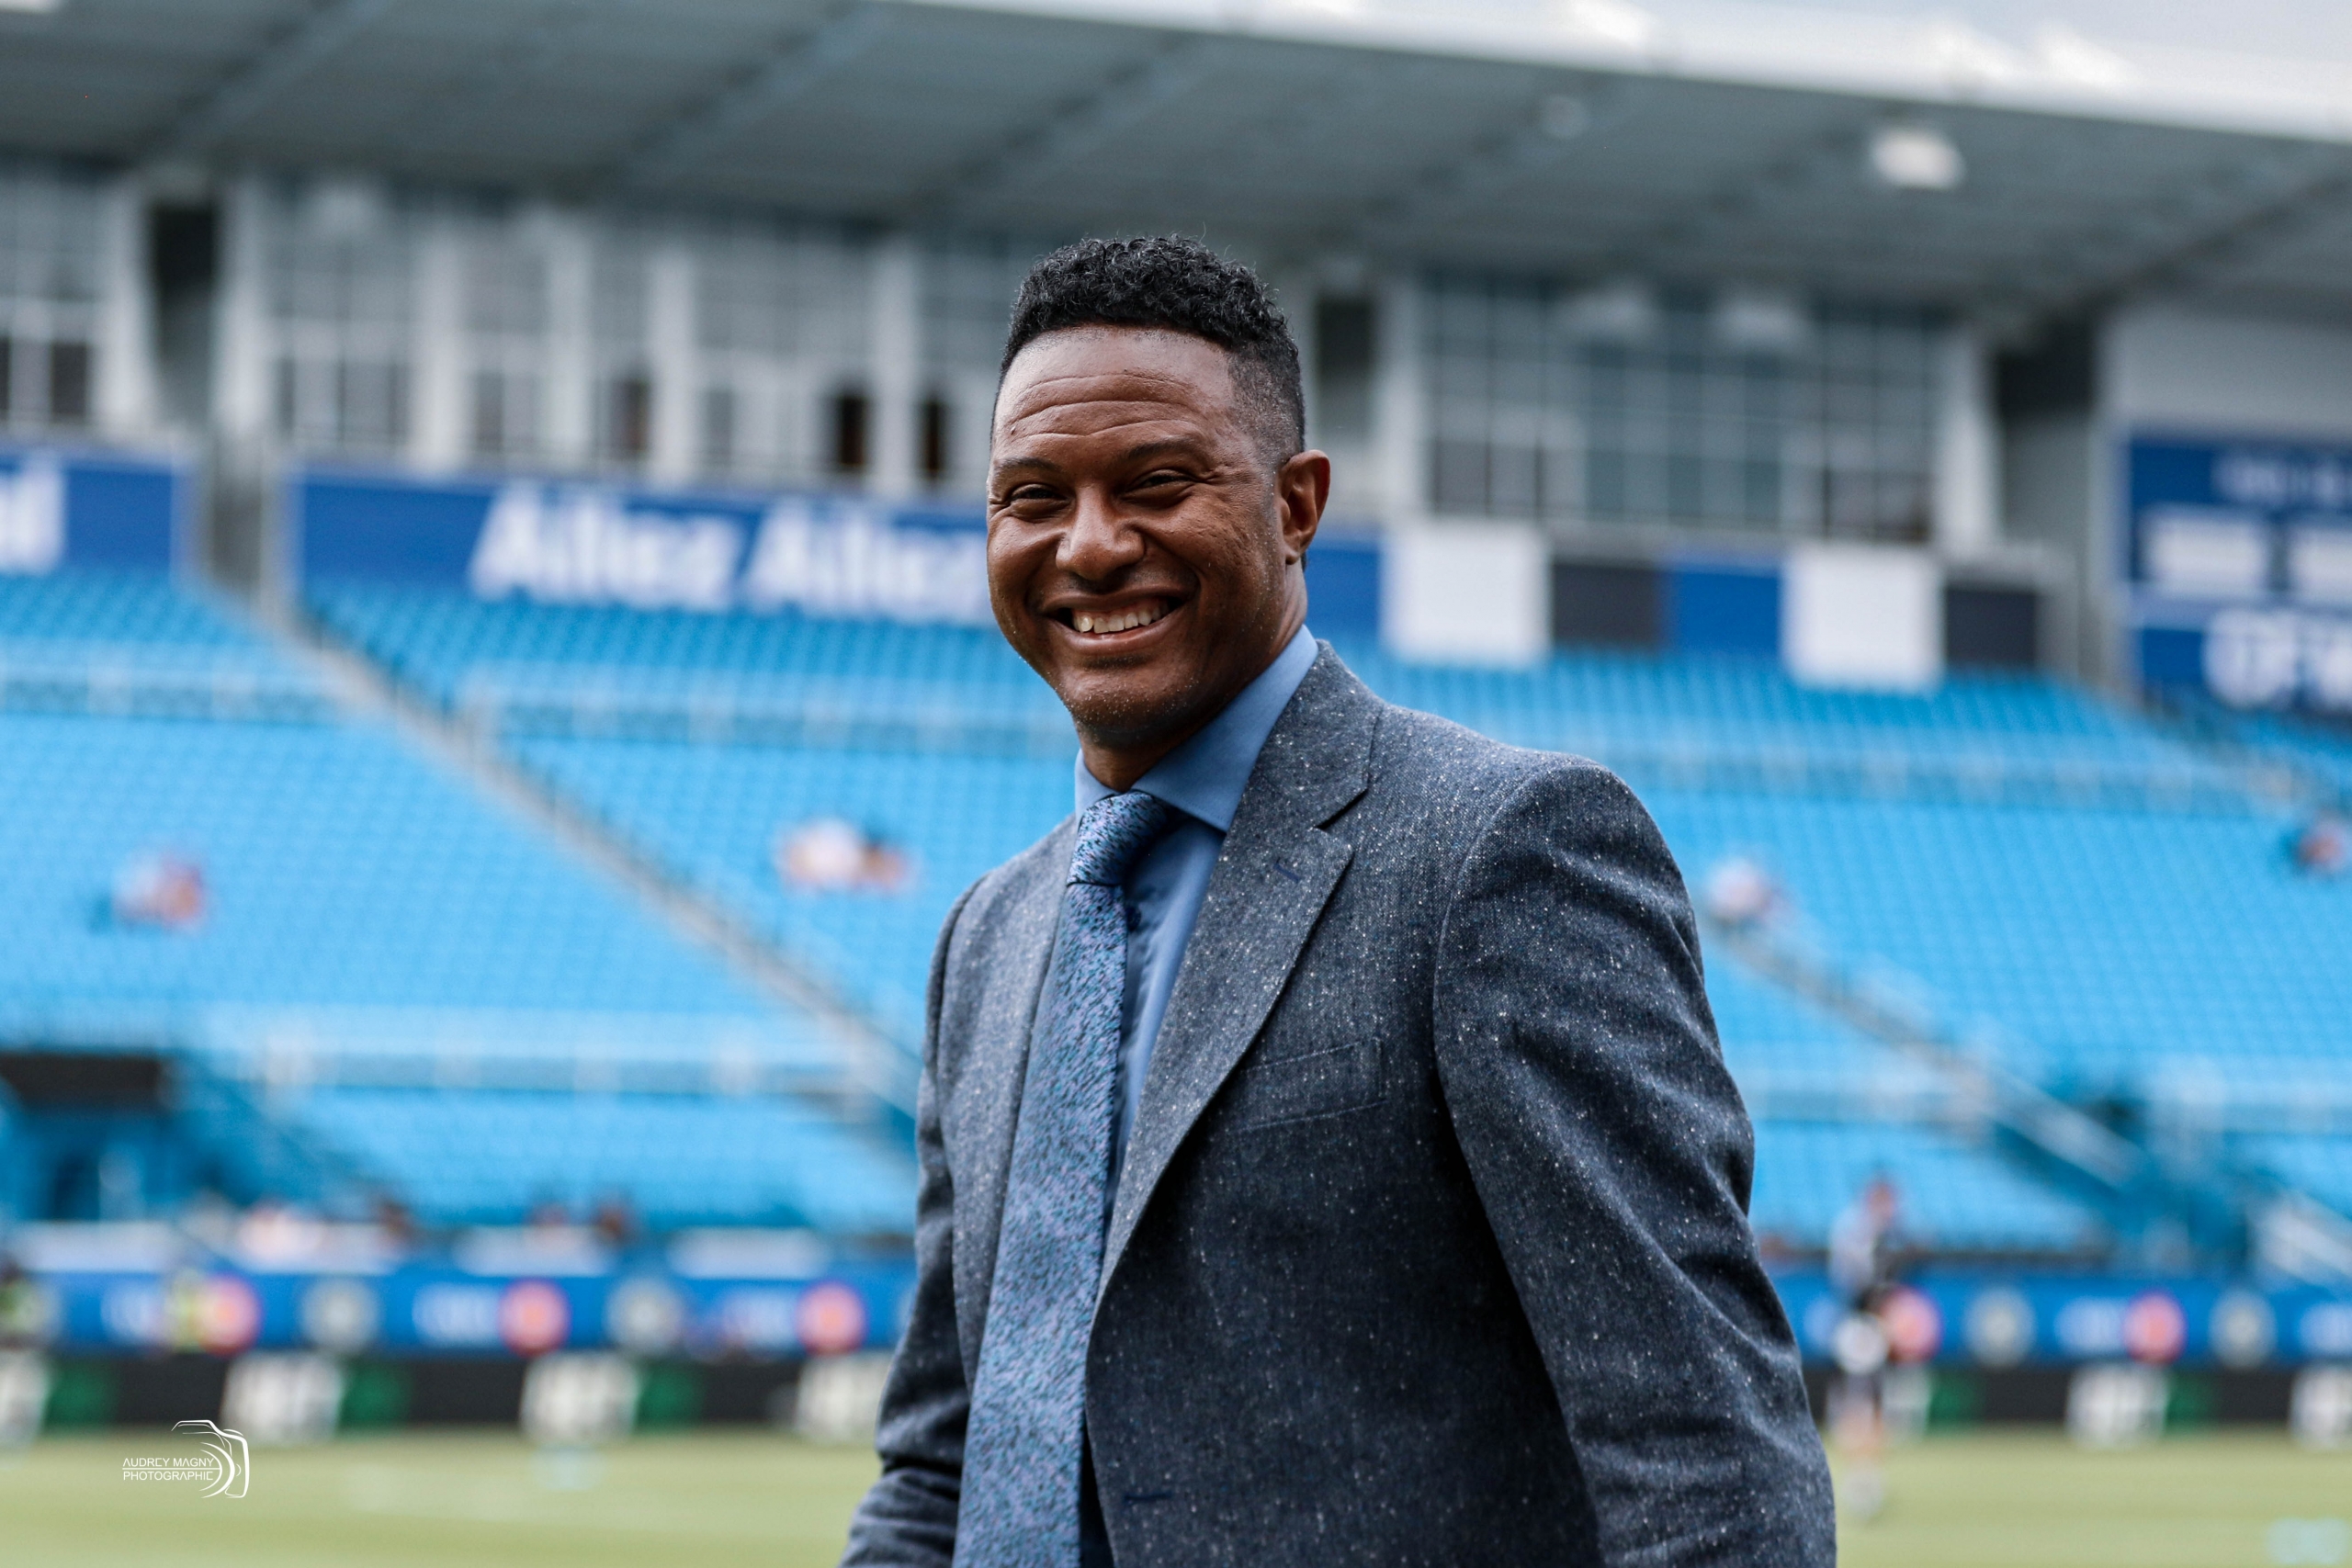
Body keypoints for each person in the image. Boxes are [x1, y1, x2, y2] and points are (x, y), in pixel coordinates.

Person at [842, 237, 1832, 1567]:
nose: (1089, 544)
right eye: (1033, 497)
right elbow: (943, 1464)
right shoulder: (989, 936)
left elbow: (1704, 1452)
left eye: (1157, 483)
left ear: (1296, 505)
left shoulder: (1502, 852)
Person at [1826, 1174, 1905, 1519]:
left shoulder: (1886, 1236)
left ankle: (1867, 1475)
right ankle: (1859, 1477)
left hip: (1874, 1326)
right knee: (1860, 1400)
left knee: (1875, 1402)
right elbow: (1855, 1284)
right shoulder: (1857, 1232)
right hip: (1860, 1326)